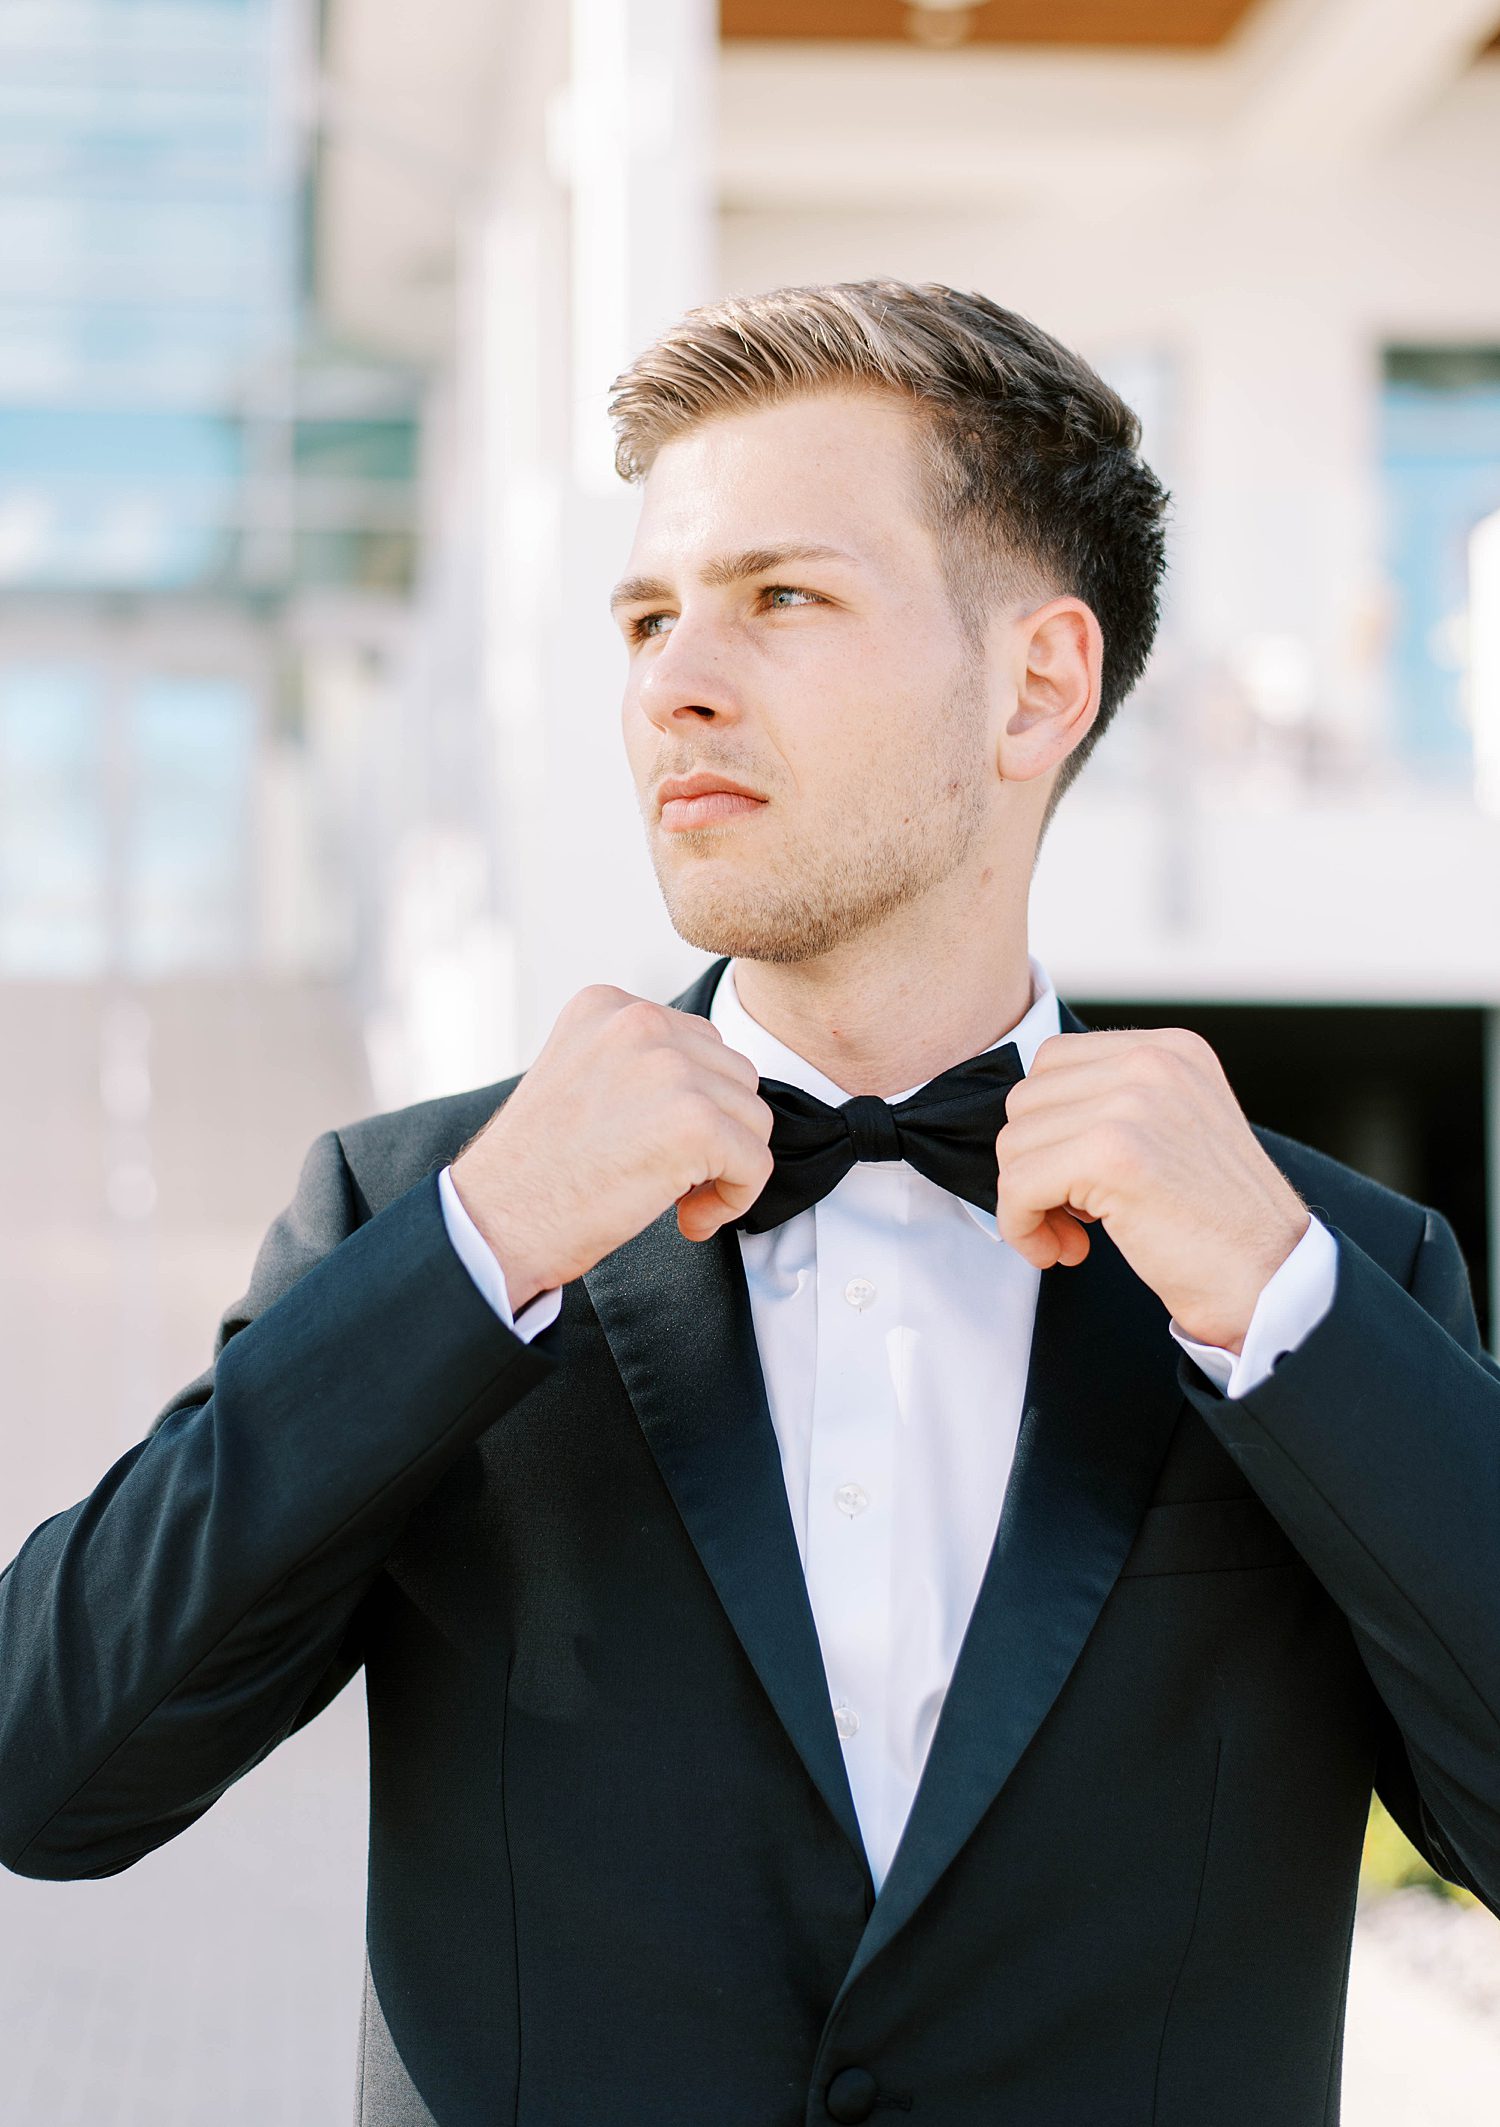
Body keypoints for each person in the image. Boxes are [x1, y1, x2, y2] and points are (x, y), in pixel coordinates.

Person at [2, 280, 1497, 2127]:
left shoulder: (1332, 1268)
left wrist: (1288, 1313)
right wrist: (473, 1256)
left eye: (783, 597)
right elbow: (48, 1768)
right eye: (648, 614)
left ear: (1039, 685)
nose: (673, 681)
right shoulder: (421, 1213)